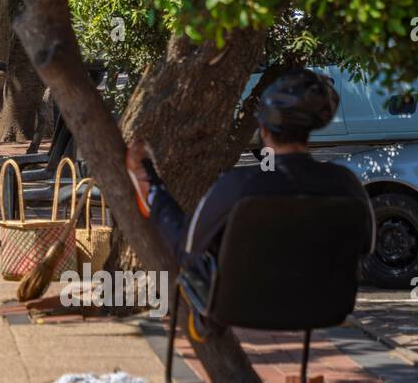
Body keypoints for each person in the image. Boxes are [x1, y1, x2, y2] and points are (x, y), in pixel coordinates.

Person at [125, 68, 373, 262]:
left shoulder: (238, 185)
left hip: (240, 307)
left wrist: (153, 182)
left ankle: (150, 187)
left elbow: (186, 244)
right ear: (310, 130)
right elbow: (363, 247)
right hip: (324, 307)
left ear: (264, 130)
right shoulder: (346, 183)